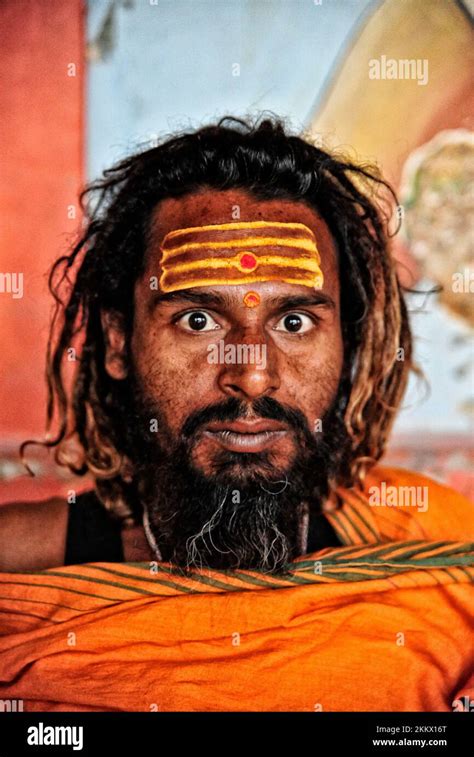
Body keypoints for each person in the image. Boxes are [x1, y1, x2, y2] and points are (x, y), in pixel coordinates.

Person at [0, 116, 472, 713]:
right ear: (119, 342)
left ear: (346, 344)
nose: (251, 374)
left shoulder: (444, 553)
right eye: (199, 320)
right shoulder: (19, 575)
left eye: (293, 322)